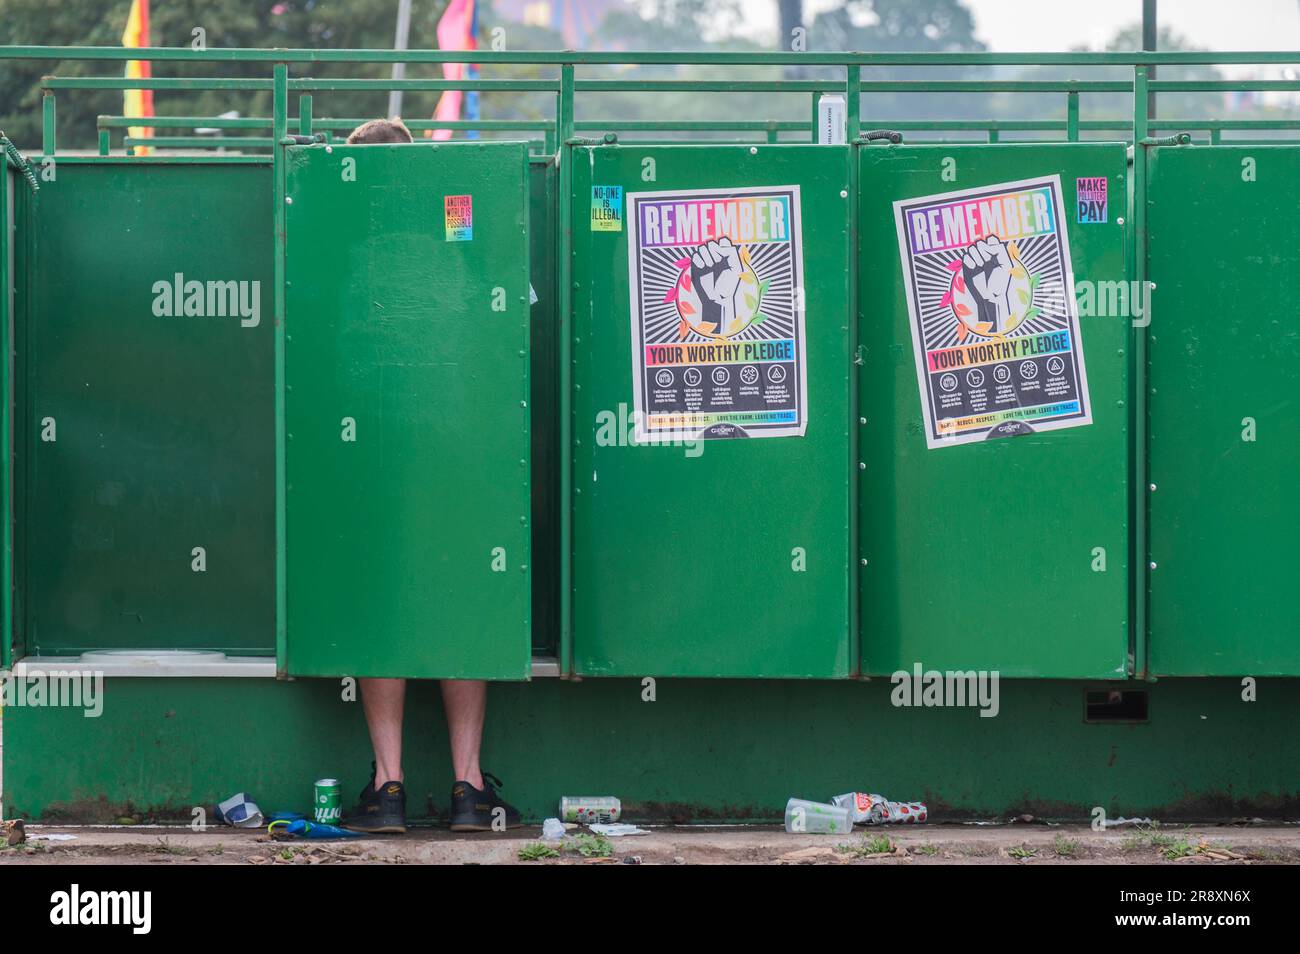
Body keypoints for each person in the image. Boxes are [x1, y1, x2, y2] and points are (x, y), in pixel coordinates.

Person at [338, 117, 522, 834]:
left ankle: (388, 788)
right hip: (458, 453)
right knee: (458, 604)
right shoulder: (456, 242)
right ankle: (469, 789)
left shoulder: (347, 246)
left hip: (373, 454)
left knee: (385, 605)